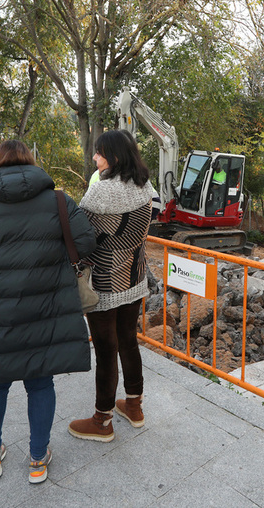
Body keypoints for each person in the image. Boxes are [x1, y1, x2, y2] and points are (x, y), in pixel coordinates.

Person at [0, 140, 96, 483]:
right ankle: (38, 459)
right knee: (39, 381)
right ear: (31, 163)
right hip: (46, 304)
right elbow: (85, 243)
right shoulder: (58, 201)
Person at [69, 129, 154, 443]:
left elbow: (81, 235)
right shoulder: (144, 186)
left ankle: (102, 420)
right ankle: (134, 406)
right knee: (129, 342)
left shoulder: (101, 192)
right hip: (134, 276)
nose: (95, 158)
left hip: (104, 282)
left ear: (114, 156)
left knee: (106, 352)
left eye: (99, 152)